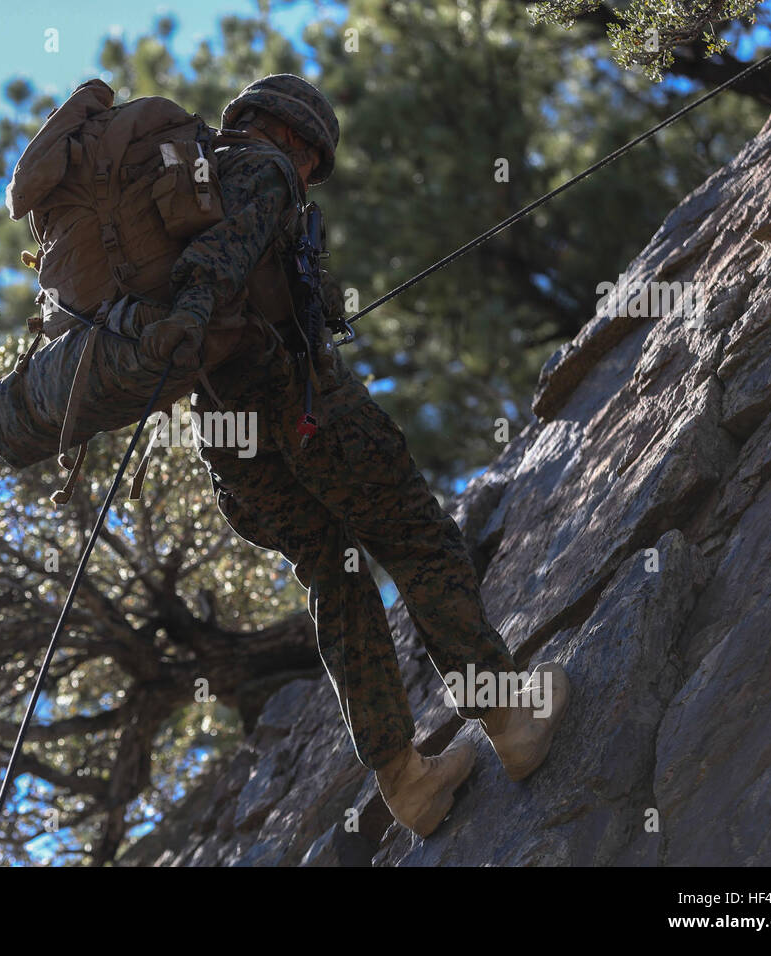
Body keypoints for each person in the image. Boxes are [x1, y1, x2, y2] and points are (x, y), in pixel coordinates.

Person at [136, 74, 571, 836]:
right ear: (295, 140)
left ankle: (407, 782)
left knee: (337, 583)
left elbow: (216, 281)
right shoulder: (262, 169)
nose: (307, 177)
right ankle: (511, 720)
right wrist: (201, 307)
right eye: (313, 162)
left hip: (234, 449)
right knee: (420, 541)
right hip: (307, 410)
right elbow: (222, 264)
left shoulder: (180, 203)